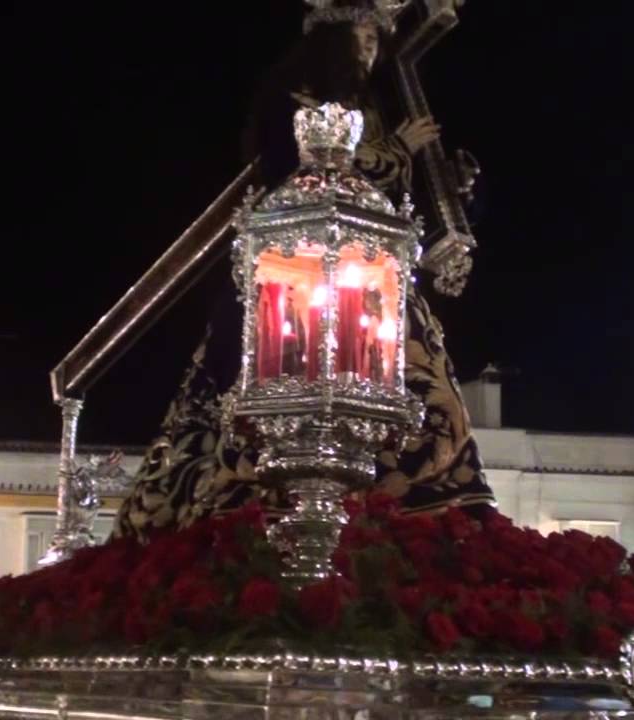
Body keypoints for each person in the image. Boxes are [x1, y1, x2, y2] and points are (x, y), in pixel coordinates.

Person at [113, 0, 495, 540]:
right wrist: (394, 150)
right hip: (297, 274)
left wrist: (451, 188)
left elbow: (396, 204)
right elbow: (293, 166)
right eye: (360, 40)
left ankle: (419, 510)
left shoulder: (378, 111)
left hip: (370, 283)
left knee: (426, 397)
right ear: (330, 42)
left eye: (375, 43)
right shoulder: (293, 96)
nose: (369, 52)